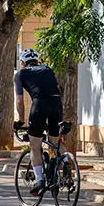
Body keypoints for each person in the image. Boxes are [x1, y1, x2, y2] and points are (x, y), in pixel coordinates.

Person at [13, 48, 64, 196]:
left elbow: (19, 101)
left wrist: (21, 120)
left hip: (40, 105)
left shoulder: (20, 74)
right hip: (56, 103)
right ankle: (65, 168)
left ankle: (40, 181)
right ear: (37, 61)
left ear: (23, 63)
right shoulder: (47, 69)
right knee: (55, 142)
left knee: (35, 146)